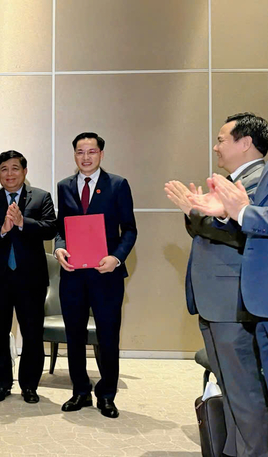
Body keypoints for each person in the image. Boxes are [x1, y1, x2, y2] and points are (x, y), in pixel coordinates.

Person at [166, 112, 268, 457]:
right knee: (229, 386)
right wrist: (195, 212)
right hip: (217, 300)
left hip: (234, 300)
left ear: (245, 142)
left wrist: (200, 213)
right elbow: (214, 229)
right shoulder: (234, 181)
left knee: (244, 391)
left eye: (222, 140)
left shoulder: (256, 180)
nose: (216, 147)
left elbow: (241, 232)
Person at [54, 132, 137, 419]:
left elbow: (129, 229)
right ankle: (80, 391)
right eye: (80, 152)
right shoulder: (64, 186)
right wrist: (59, 248)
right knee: (74, 334)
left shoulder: (117, 184)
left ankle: (107, 394)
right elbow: (60, 229)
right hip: (74, 274)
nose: (85, 157)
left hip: (107, 273)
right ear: (74, 154)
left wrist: (117, 257)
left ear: (101, 153)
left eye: (91, 151)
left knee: (108, 335)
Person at [0, 150, 56, 403]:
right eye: (4, 169)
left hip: (31, 279)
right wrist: (3, 229)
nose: (10, 174)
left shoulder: (41, 197)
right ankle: (1, 384)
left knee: (31, 334)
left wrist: (22, 223)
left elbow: (51, 228)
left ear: (24, 171)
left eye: (15, 168)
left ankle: (29, 386)